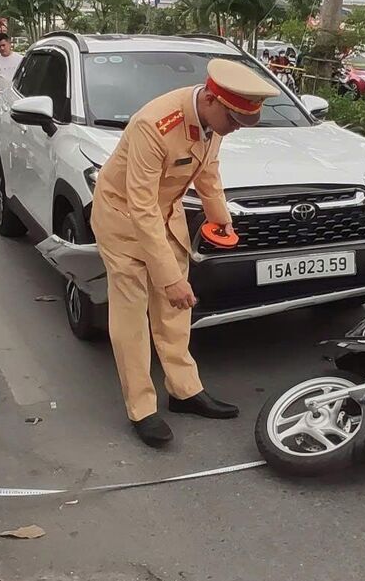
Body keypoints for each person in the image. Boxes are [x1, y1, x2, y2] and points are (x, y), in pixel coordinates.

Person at [91, 59, 277, 448]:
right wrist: (170, 278)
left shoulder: (215, 119)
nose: (235, 130)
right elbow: (140, 207)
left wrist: (220, 217)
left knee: (176, 310)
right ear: (211, 99)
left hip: (164, 214)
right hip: (123, 218)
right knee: (132, 315)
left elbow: (208, 171)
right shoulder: (153, 126)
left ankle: (184, 390)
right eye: (234, 122)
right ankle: (141, 408)